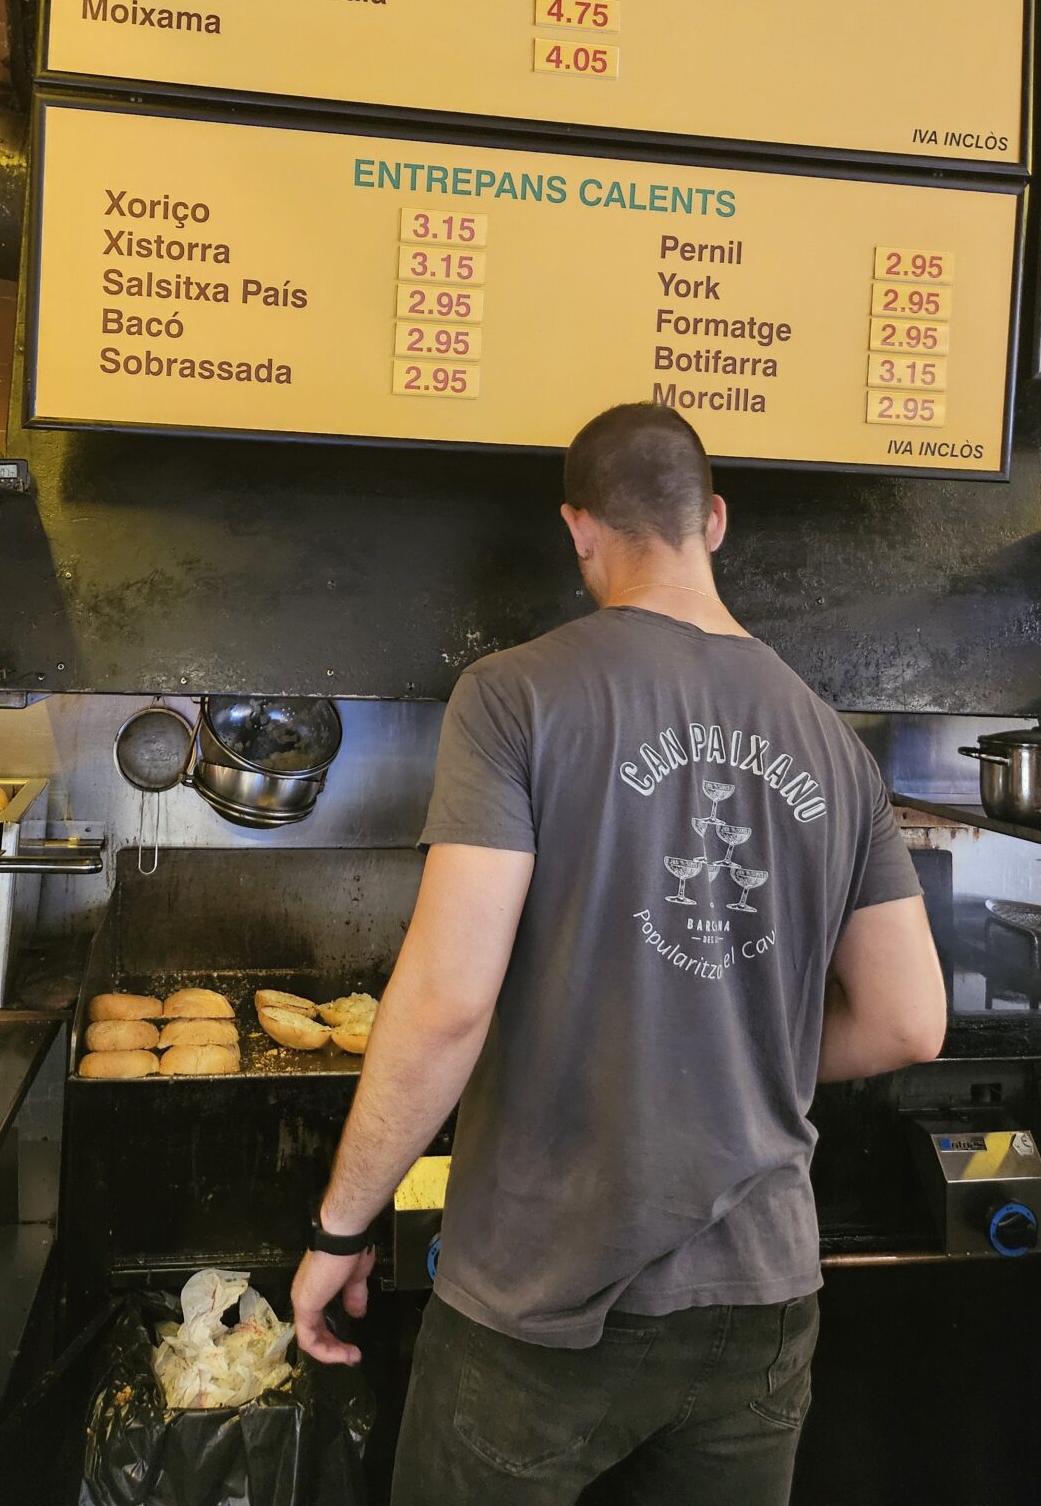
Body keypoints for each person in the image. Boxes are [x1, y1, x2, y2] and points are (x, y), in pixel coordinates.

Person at [291, 401, 946, 1505]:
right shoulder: (831, 740)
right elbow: (908, 1022)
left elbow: (449, 1000)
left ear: (579, 529)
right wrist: (739, 1047)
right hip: (762, 1301)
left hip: (541, 1299)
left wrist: (340, 1225)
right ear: (716, 524)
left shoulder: (514, 695)